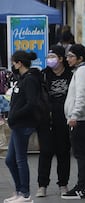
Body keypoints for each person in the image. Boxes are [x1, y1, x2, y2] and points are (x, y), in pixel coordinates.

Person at [61, 44, 85, 200]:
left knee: (80, 154)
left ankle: (82, 187)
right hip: (83, 117)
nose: (67, 59)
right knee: (81, 153)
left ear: (80, 58)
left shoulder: (82, 71)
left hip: (81, 118)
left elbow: (81, 96)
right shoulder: (84, 70)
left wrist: (74, 115)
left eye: (71, 56)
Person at [35, 45, 73, 197]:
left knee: (63, 152)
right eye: (48, 57)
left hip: (64, 118)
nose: (50, 60)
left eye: (53, 57)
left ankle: (63, 184)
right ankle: (42, 185)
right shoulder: (43, 75)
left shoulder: (71, 75)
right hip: (46, 119)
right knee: (45, 152)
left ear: (61, 59)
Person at [4, 51, 41, 203]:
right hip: (17, 124)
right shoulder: (22, 79)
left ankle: (25, 193)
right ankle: (19, 190)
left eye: (13, 63)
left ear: (19, 63)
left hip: (23, 124)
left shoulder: (30, 79)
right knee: (9, 160)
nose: (12, 66)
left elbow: (31, 103)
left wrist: (15, 115)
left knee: (20, 159)